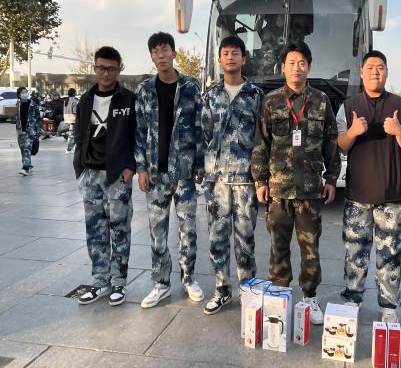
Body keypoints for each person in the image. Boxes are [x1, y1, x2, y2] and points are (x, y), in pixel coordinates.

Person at [251, 40, 340, 324]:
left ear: (309, 67)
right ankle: (279, 293)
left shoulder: (322, 101)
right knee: (278, 244)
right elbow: (261, 142)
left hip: (310, 189)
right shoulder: (271, 101)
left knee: (310, 247)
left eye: (302, 63)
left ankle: (310, 297)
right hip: (278, 189)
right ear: (283, 67)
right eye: (291, 63)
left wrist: (332, 178)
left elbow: (330, 142)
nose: (296, 68)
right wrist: (260, 180)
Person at [336, 50, 401, 323]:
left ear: (386, 72)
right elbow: (340, 144)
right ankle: (352, 299)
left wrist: (398, 131)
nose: (375, 72)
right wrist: (352, 132)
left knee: (390, 255)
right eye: (370, 67)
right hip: (357, 196)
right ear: (361, 72)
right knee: (354, 253)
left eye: (380, 67)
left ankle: (389, 306)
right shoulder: (348, 106)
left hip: (390, 196)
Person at [135, 32, 204, 308]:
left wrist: (199, 164)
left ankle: (189, 279)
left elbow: (199, 127)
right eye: (155, 51)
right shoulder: (144, 90)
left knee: (188, 229)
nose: (160, 55)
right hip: (155, 173)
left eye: (165, 50)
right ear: (151, 57)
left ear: (174, 53)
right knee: (157, 232)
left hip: (184, 173)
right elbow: (139, 131)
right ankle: (161, 283)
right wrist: (141, 168)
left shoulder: (190, 86)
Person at [200, 36, 264, 315]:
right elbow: (203, 133)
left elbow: (262, 138)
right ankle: (221, 289)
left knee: (245, 237)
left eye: (235, 53)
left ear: (243, 59)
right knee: (217, 237)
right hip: (216, 181)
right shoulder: (210, 95)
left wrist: (261, 175)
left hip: (245, 180)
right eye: (225, 53)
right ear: (219, 59)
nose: (230, 57)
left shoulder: (255, 95)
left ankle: (248, 290)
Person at [73, 47, 136, 306]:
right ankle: (100, 281)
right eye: (101, 68)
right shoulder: (86, 100)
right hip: (90, 173)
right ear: (94, 68)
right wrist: (80, 170)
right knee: (95, 230)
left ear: (119, 69)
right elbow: (79, 134)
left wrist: (130, 167)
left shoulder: (129, 100)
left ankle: (119, 282)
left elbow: (138, 136)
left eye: (111, 68)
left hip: (117, 175)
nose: (106, 73)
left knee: (120, 229)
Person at [15, 86, 42, 176]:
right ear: (19, 95)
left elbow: (38, 118)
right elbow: (17, 117)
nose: (25, 94)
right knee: (23, 150)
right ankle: (29, 165)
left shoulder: (33, 104)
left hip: (31, 130)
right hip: (21, 131)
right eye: (22, 92)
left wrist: (38, 131)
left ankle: (25, 167)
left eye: (26, 92)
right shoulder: (18, 104)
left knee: (26, 148)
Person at [64, 88, 79, 153]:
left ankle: (73, 147)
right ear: (74, 93)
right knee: (73, 134)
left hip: (67, 119)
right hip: (73, 119)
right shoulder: (75, 100)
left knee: (72, 134)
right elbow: (75, 111)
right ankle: (69, 149)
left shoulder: (66, 100)